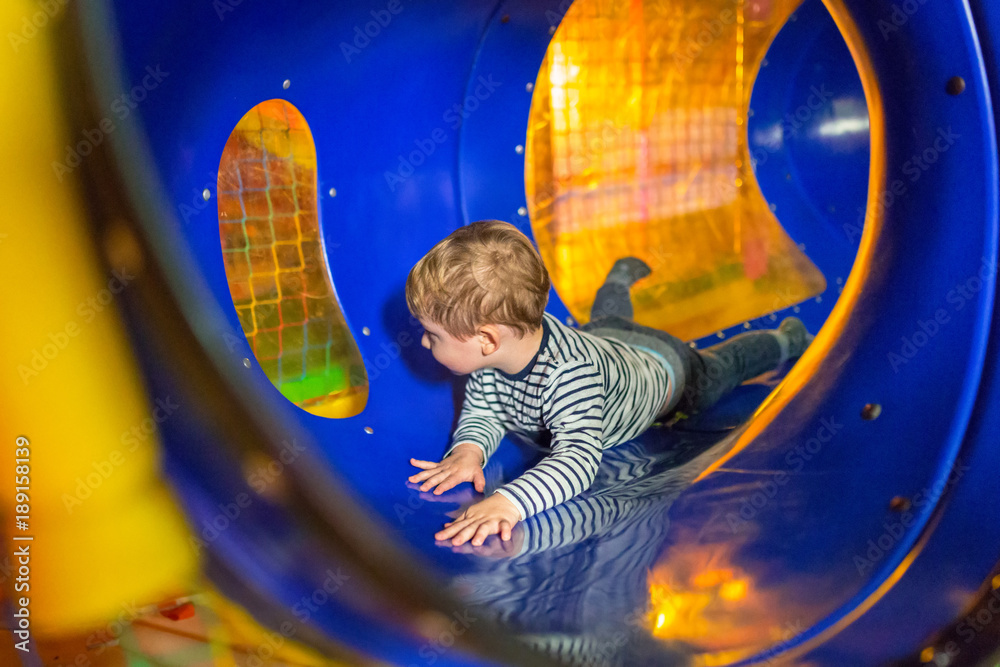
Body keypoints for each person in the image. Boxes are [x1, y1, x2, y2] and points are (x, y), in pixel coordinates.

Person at [405, 220, 810, 547]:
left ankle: (785, 339)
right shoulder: (497, 351)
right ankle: (616, 282)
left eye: (432, 335)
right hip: (608, 343)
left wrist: (509, 501)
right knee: (608, 324)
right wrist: (469, 451)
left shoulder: (568, 376)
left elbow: (578, 461)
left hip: (668, 372)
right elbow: (485, 409)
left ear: (487, 339)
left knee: (725, 367)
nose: (423, 341)